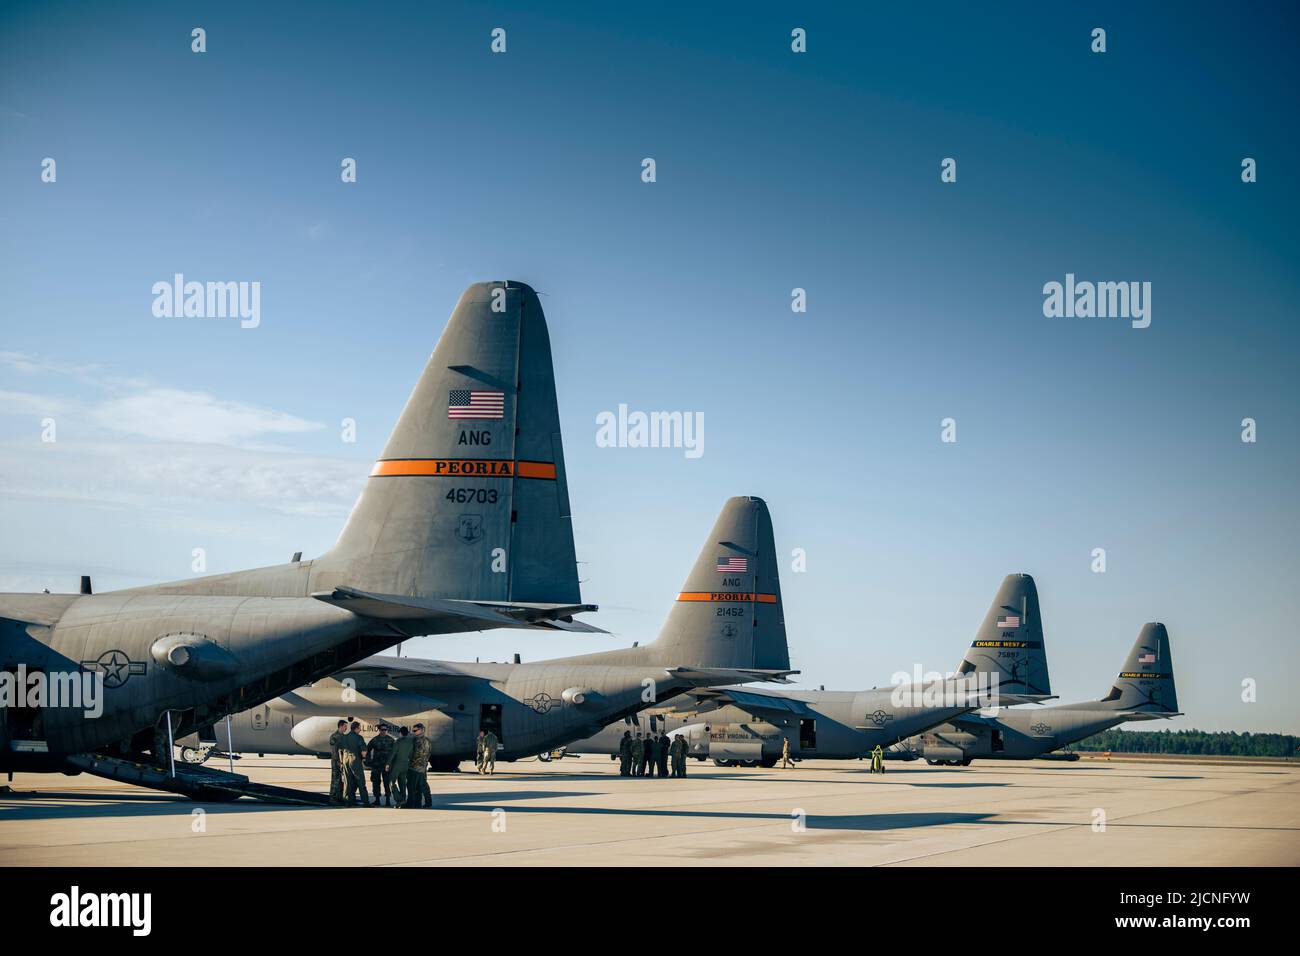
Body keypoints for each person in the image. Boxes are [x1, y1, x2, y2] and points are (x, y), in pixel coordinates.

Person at [340, 721, 371, 806]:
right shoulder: (359, 738)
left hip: (346, 759)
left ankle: (348, 801)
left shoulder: (345, 737)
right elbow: (364, 751)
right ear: (356, 728)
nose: (360, 729)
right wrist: (364, 758)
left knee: (347, 781)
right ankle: (366, 802)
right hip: (355, 759)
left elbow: (341, 749)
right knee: (360, 781)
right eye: (360, 728)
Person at [367, 723, 396, 806]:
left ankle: (388, 799)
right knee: (375, 782)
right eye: (382, 729)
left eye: (385, 730)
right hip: (376, 765)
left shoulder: (391, 740)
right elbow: (368, 749)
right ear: (379, 730)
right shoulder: (374, 740)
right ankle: (377, 799)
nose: (384, 731)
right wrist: (369, 761)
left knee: (387, 782)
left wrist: (392, 763)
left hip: (386, 766)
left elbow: (394, 752)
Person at [386, 726, 413, 808]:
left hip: (397, 765)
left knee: (391, 782)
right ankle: (403, 801)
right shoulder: (410, 742)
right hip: (405, 765)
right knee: (402, 783)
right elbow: (411, 754)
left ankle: (399, 799)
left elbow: (392, 753)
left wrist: (387, 764)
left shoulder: (398, 741)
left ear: (400, 733)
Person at [407, 723, 433, 808]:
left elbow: (412, 753)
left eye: (415, 730)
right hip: (423, 766)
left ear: (421, 730)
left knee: (412, 786)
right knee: (422, 785)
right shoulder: (428, 741)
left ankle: (412, 803)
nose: (413, 732)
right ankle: (426, 802)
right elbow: (429, 753)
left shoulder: (415, 740)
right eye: (413, 731)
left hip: (414, 767)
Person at [327, 719, 348, 805]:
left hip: (343, 761)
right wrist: (339, 762)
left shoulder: (344, 737)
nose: (346, 728)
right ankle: (333, 798)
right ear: (341, 726)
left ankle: (339, 797)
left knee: (341, 781)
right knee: (335, 780)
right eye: (345, 726)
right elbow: (335, 751)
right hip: (336, 761)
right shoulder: (334, 737)